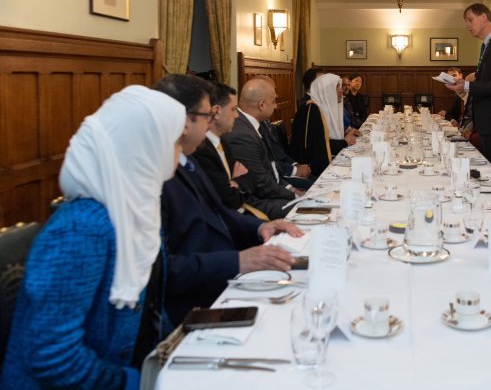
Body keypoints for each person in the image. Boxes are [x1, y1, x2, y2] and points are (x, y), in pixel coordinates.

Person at [2, 86, 186, 389]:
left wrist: (175, 355)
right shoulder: (81, 229)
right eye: (176, 140)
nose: (180, 155)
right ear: (144, 145)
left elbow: (149, 309)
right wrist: (136, 382)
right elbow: (53, 357)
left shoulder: (136, 208)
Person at [156, 74, 302, 327]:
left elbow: (218, 211)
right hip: (193, 303)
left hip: (221, 274)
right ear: (183, 122)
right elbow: (164, 270)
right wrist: (239, 261)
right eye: (206, 116)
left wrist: (260, 226)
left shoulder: (186, 160)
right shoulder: (156, 177)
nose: (211, 122)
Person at [445, 3, 491, 161]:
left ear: (484, 17)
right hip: (489, 120)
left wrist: (466, 85)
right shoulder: (488, 44)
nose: (467, 25)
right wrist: (463, 86)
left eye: (470, 20)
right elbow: (486, 80)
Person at [226, 77, 298, 218]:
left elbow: (272, 168)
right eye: (274, 102)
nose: (276, 106)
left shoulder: (252, 124)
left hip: (270, 192)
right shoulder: (242, 134)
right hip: (255, 203)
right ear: (262, 105)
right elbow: (261, 184)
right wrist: (295, 195)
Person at [192, 81, 251, 210]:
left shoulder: (222, 141)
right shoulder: (200, 149)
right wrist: (238, 182)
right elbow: (229, 200)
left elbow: (250, 177)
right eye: (233, 109)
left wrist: (235, 183)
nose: (237, 116)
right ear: (216, 112)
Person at [292, 72, 356, 175]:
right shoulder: (312, 109)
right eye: (337, 87)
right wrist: (344, 142)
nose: (341, 91)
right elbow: (317, 147)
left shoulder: (323, 108)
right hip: (313, 170)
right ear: (325, 91)